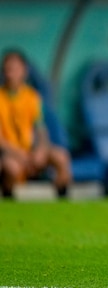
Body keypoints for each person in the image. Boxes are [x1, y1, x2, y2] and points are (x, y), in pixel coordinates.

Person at [0, 50, 72, 198]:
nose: (10, 74)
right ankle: (9, 197)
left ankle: (62, 199)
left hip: (31, 152)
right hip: (11, 154)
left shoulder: (32, 97)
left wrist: (40, 149)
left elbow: (40, 129)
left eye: (14, 69)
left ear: (24, 71)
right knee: (10, 168)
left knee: (61, 157)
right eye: (7, 69)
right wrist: (21, 155)